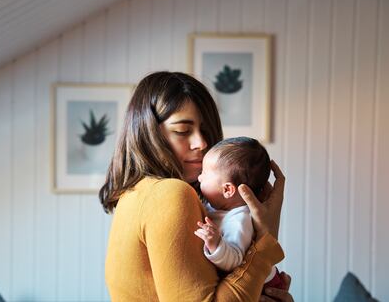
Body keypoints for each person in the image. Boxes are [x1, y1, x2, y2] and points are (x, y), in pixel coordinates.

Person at [100, 71, 293, 301]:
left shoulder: (135, 195)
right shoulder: (169, 193)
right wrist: (265, 240)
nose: (201, 143)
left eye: (206, 130)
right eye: (182, 130)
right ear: (148, 133)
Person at [195, 137, 286, 291]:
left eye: (204, 173)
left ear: (227, 190)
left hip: (264, 287)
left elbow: (235, 260)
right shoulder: (216, 206)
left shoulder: (239, 220)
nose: (199, 177)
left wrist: (216, 244)